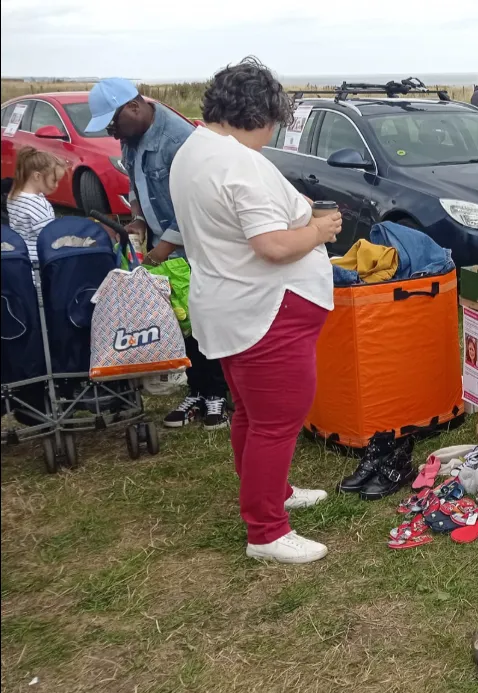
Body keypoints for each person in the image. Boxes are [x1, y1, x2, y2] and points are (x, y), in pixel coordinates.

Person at [168, 57, 340, 564]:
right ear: (257, 114)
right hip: (264, 310)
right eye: (273, 121)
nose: (272, 132)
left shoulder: (196, 149)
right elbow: (270, 245)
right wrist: (319, 232)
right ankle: (266, 531)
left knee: (252, 412)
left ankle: (269, 492)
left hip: (230, 304)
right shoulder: (236, 162)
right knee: (277, 420)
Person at [84, 77, 231, 431]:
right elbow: (137, 184)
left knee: (205, 315)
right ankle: (197, 389)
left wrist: (164, 246)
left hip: (197, 246)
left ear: (134, 107)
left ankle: (219, 394)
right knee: (183, 316)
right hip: (167, 250)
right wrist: (136, 219)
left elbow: (196, 200)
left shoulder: (180, 141)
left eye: (113, 123)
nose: (113, 133)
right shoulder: (132, 138)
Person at [6, 148, 64, 271]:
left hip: (21, 260)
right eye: (54, 180)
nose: (56, 185)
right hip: (39, 266)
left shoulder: (14, 196)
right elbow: (50, 238)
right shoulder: (37, 204)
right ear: (37, 176)